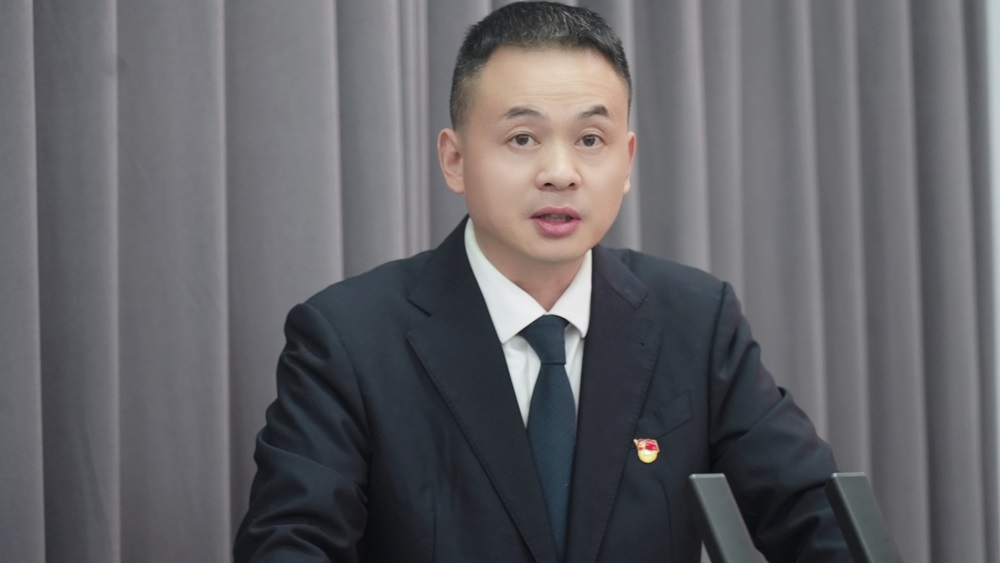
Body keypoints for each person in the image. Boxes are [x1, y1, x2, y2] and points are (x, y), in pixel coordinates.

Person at [234, 2, 850, 561]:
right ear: (454, 159)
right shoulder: (349, 339)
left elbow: (820, 520)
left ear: (627, 161)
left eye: (591, 139)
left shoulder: (695, 320)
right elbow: (290, 545)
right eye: (523, 138)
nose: (560, 172)